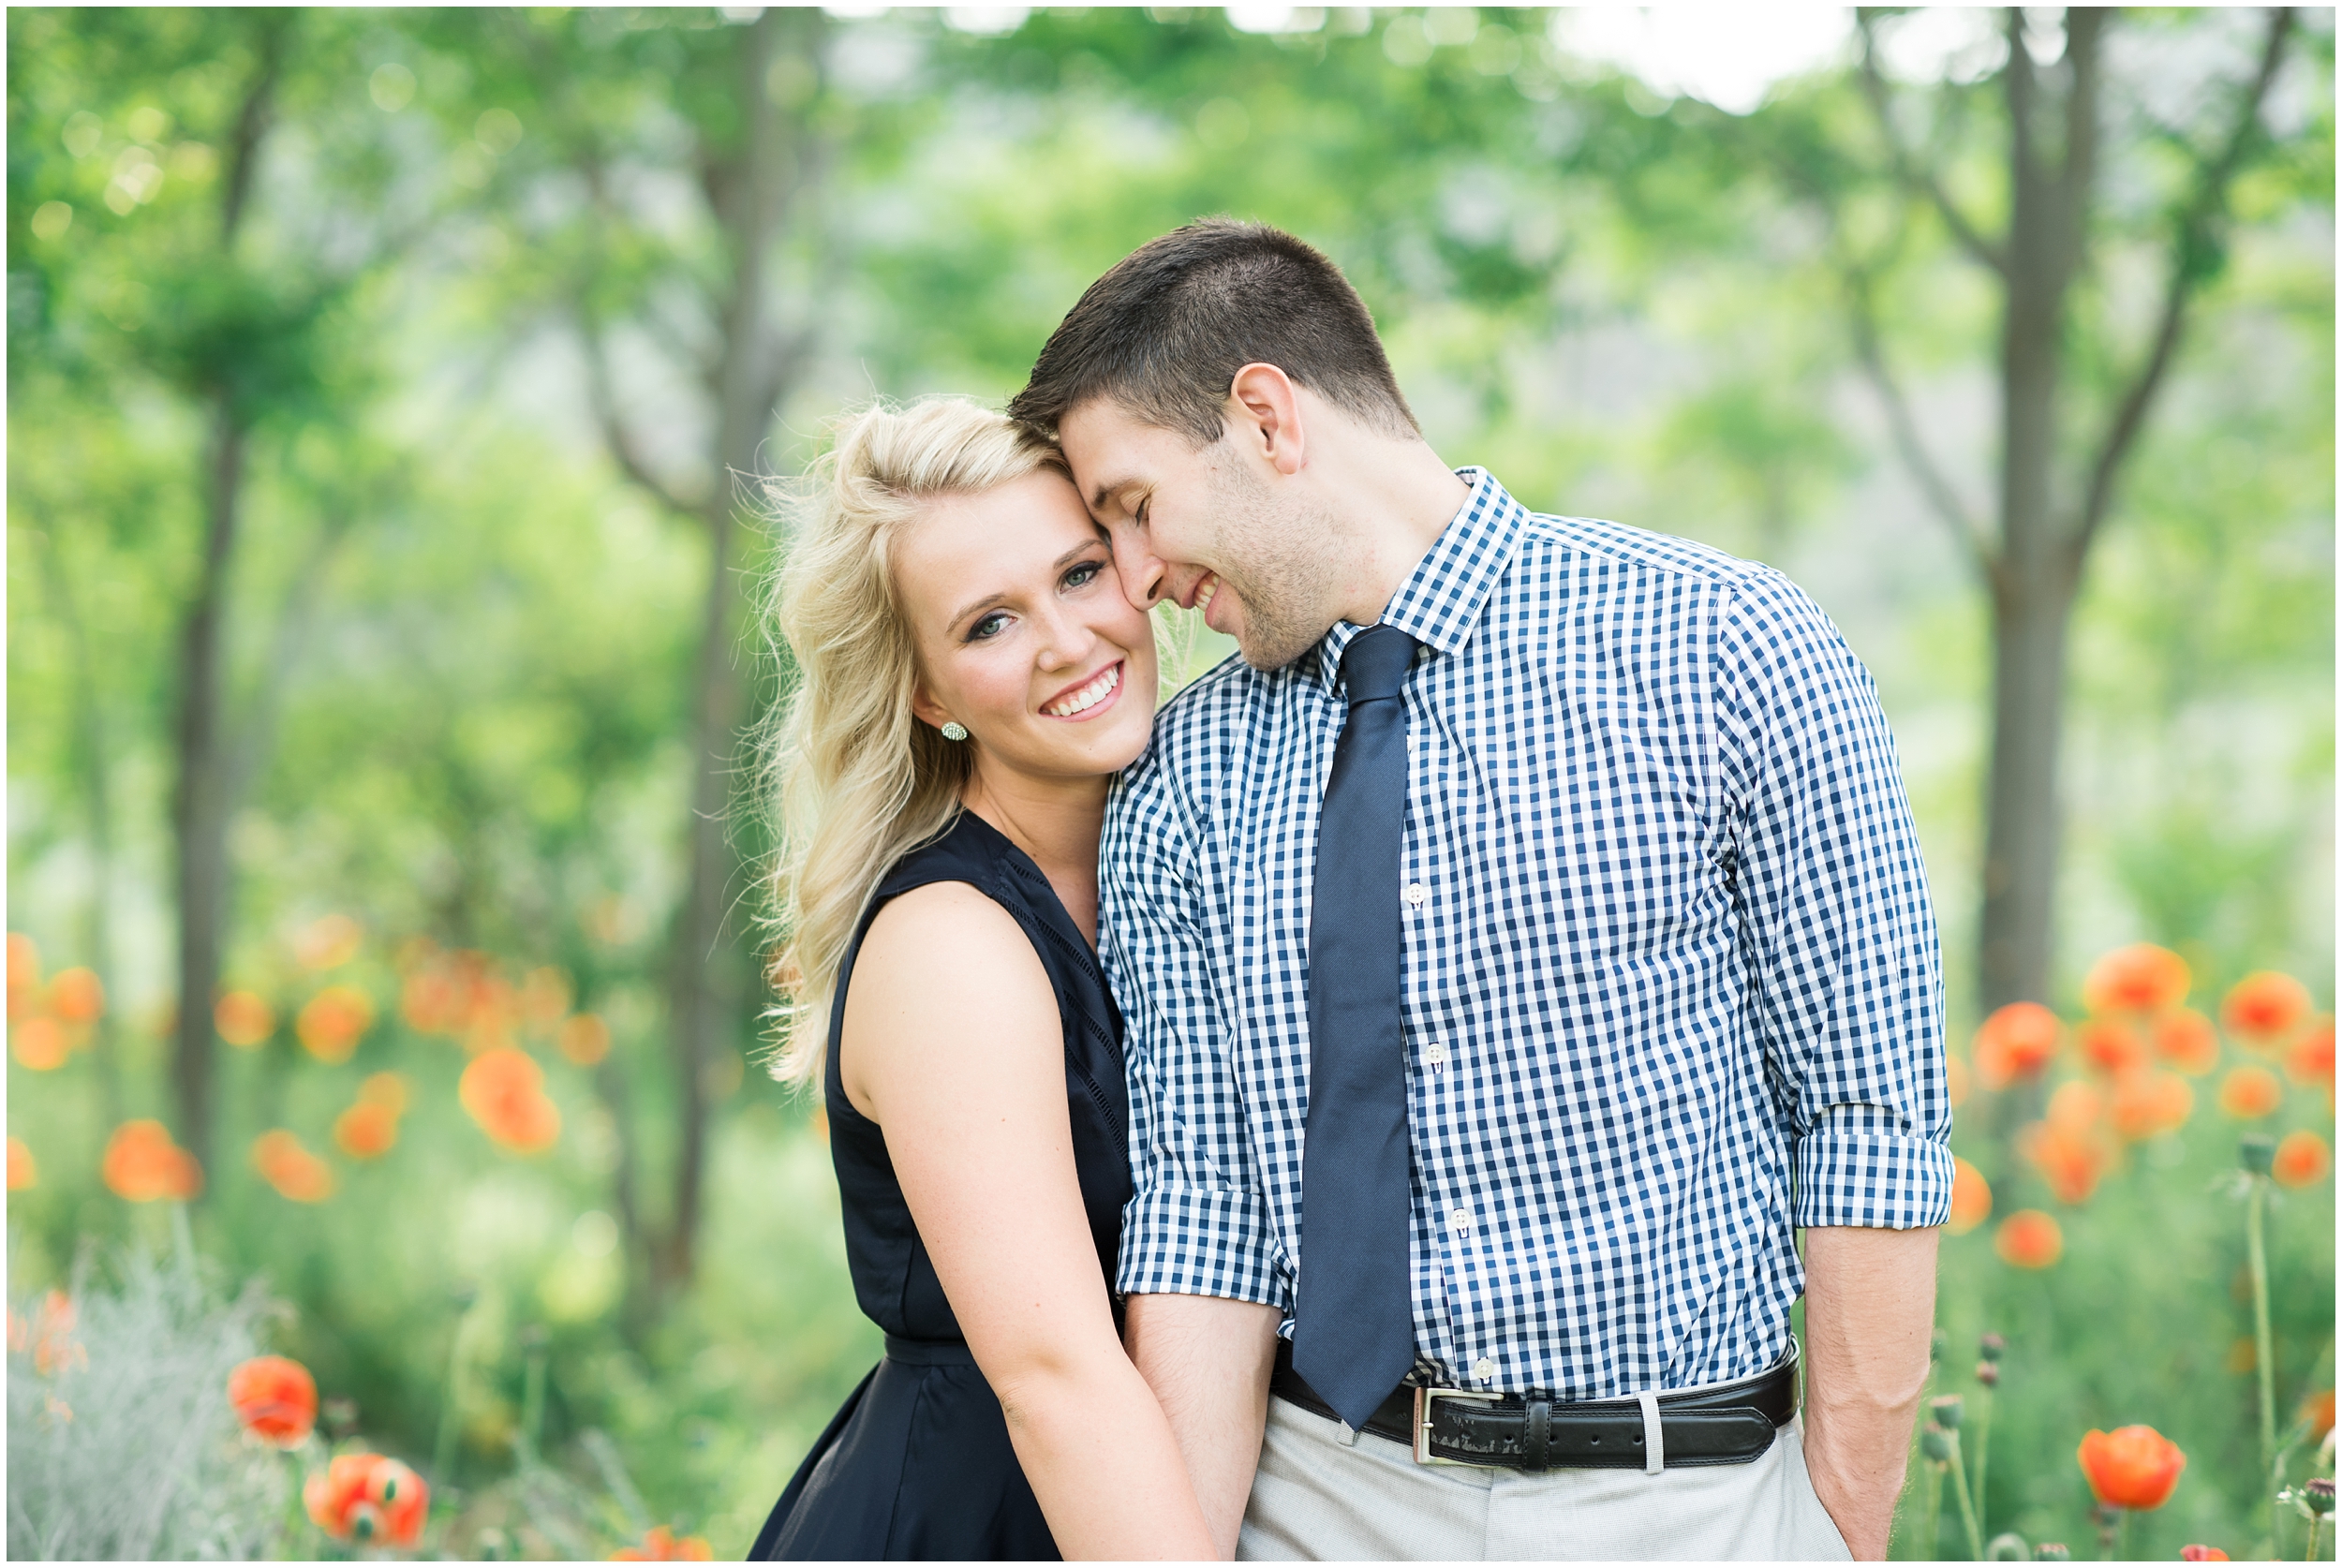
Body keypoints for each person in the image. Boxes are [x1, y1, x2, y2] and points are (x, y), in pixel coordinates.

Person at [1005, 219, 1950, 1561]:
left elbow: (1867, 1123)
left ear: (1266, 417)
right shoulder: (1183, 775)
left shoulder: (1733, 650)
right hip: (1320, 1497)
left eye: (1135, 507)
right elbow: (1204, 1224)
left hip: (1688, 1502)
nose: (1140, 580)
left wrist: (1837, 1534)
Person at [748, 398, 1214, 1561]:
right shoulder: (950, 943)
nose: (1064, 641)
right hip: (978, 1518)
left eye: (1077, 573)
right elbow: (1056, 1379)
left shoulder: (1181, 857)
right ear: (928, 694)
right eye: (991, 623)